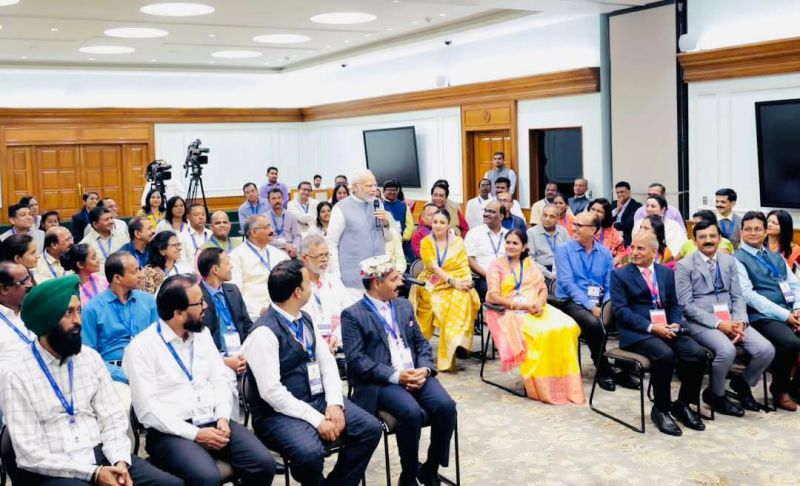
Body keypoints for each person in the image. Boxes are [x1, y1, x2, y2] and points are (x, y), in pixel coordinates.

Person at [0, 276, 182, 486]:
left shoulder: (89, 358)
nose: (78, 320)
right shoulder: (17, 373)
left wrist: (120, 461)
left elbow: (112, 418)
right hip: (53, 468)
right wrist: (94, 473)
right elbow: (29, 453)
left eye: (79, 310)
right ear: (46, 320)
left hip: (101, 454)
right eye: (68, 312)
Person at [124, 274, 276, 486]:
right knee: (207, 478)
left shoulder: (202, 334)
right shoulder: (142, 348)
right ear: (178, 313)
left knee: (264, 464)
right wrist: (196, 434)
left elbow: (220, 378)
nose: (206, 305)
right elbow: (148, 411)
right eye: (199, 302)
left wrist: (223, 416)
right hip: (172, 432)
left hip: (214, 420)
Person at [243, 260, 382, 486]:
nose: (313, 286)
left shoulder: (304, 318)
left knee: (370, 428)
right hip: (278, 413)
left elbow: (327, 364)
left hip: (316, 398)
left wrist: (335, 404)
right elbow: (271, 392)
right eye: (308, 283)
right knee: (309, 454)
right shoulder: (264, 333)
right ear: (297, 292)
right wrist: (318, 420)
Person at [342, 255, 456, 486]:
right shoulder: (353, 315)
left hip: (415, 373)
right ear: (377, 283)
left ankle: (430, 469)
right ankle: (408, 475)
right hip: (381, 381)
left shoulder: (403, 305)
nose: (401, 283)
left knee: (446, 407)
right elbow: (357, 362)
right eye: (394, 279)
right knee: (411, 413)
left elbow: (422, 343)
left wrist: (424, 369)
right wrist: (396, 376)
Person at [611, 232, 708, 435]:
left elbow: (673, 304)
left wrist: (673, 323)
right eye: (633, 247)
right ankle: (661, 409)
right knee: (665, 356)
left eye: (640, 248)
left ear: (654, 252)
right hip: (638, 332)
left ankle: (682, 404)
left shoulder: (665, 273)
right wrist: (652, 327)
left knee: (697, 354)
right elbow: (621, 311)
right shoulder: (620, 274)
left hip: (666, 327)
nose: (634, 252)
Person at [675, 219, 775, 416]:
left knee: (766, 350)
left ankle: (742, 383)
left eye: (713, 236)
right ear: (694, 241)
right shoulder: (684, 266)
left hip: (732, 318)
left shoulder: (729, 261)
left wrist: (740, 321)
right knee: (726, 350)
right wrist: (720, 324)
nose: (708, 240)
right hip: (700, 322)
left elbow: (738, 295)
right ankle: (716, 395)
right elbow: (686, 306)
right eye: (702, 237)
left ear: (719, 238)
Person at [486, 229, 584, 404]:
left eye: (515, 243)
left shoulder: (529, 263)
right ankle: (542, 384)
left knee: (568, 326)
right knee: (541, 333)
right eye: (508, 242)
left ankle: (564, 381)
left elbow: (543, 288)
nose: (510, 246)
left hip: (536, 307)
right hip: (509, 311)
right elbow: (493, 296)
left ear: (524, 247)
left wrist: (539, 303)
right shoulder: (497, 265)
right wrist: (522, 306)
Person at [734, 211, 800, 411]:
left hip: (788, 310)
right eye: (748, 229)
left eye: (758, 229)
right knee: (790, 343)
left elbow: (794, 284)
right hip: (759, 315)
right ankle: (779, 390)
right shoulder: (738, 259)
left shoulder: (775, 257)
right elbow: (749, 296)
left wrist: (797, 308)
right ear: (741, 232)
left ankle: (795, 389)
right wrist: (785, 316)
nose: (753, 233)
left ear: (765, 232)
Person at [554, 211, 619, 391]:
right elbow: (567, 284)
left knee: (624, 314)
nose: (573, 228)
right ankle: (603, 368)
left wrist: (605, 305)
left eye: (579, 226)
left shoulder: (605, 254)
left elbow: (608, 284)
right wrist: (591, 306)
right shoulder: (563, 250)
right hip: (570, 300)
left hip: (597, 302)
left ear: (593, 230)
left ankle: (626, 368)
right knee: (593, 322)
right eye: (574, 224)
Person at [409, 209, 480, 371]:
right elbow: (433, 267)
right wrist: (452, 281)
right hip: (431, 283)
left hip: (457, 279)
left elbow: (463, 264)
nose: (438, 225)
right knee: (438, 302)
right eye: (435, 222)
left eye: (442, 222)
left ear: (449, 225)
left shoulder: (458, 242)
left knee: (465, 296)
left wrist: (466, 281)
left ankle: (458, 342)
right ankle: (450, 345)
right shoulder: (426, 242)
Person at [81, 251, 156, 386]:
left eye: (139, 269)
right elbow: (88, 357)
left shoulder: (148, 301)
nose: (140, 274)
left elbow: (159, 341)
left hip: (149, 368)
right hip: (113, 375)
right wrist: (124, 376)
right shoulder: (92, 309)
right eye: (134, 272)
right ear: (117, 278)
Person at [327, 169, 391, 290]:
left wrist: (386, 224)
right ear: (355, 187)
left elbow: (388, 238)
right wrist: (336, 275)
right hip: (353, 276)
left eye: (375, 185)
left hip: (378, 274)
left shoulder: (378, 204)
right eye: (369, 186)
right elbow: (331, 243)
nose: (374, 189)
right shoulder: (340, 208)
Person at [198, 247, 253, 372]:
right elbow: (198, 344)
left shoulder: (233, 290)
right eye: (227, 263)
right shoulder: (196, 297)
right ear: (215, 269)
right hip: (215, 360)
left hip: (242, 354)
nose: (231, 267)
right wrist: (225, 362)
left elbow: (247, 326)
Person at [299, 235, 355, 350]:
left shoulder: (334, 280)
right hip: (310, 347)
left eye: (326, 254)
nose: (324, 259)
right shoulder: (297, 285)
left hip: (338, 344)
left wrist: (336, 336)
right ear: (305, 258)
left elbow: (349, 312)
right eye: (319, 256)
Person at [229, 215, 289, 319]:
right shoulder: (235, 257)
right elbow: (235, 293)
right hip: (253, 315)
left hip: (282, 310)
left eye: (270, 226)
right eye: (266, 228)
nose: (271, 230)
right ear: (254, 232)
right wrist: (259, 309)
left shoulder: (280, 255)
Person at [465, 200, 507, 299]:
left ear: (501, 216)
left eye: (492, 212)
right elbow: (469, 259)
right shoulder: (474, 233)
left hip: (506, 276)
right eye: (485, 211)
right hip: (482, 277)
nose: (486, 214)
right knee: (495, 290)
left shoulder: (508, 235)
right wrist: (488, 275)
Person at [0, 262, 34, 374]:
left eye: (30, 278)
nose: (30, 285)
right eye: (24, 282)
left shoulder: (34, 309)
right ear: (4, 289)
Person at [527, 204, 570, 285]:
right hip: (542, 271)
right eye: (545, 215)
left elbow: (570, 254)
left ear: (558, 219)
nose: (547, 219)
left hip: (562, 269)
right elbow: (530, 260)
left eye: (552, 216)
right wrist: (549, 275)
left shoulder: (563, 231)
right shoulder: (531, 233)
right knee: (560, 286)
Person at [588, 198, 625, 266]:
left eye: (599, 211)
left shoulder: (613, 233)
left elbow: (621, 254)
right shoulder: (581, 227)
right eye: (592, 209)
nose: (594, 213)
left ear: (605, 215)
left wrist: (610, 265)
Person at [267, 188, 302, 258]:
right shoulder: (265, 218)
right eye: (273, 198)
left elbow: (297, 236)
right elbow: (266, 238)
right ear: (268, 201)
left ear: (282, 199)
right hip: (273, 250)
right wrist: (283, 245)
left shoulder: (291, 215)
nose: (277, 201)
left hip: (291, 249)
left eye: (279, 198)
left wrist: (295, 248)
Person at [382, 179, 415, 245]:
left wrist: (404, 238)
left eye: (394, 190)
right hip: (385, 241)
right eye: (389, 190)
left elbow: (410, 225)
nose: (392, 192)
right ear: (383, 191)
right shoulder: (380, 205)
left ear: (398, 191)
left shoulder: (404, 206)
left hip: (403, 241)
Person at [612, 181, 642, 246]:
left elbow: (629, 223)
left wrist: (613, 225)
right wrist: (617, 209)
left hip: (626, 235)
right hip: (611, 234)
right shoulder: (614, 203)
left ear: (629, 192)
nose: (619, 194)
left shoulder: (636, 205)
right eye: (617, 193)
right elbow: (607, 218)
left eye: (622, 192)